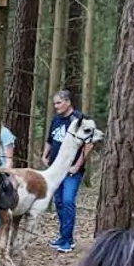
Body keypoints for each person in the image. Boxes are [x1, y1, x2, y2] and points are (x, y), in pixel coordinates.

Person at [42, 89, 92, 253]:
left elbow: (88, 144)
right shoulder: (56, 119)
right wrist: (45, 155)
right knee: (59, 202)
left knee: (68, 200)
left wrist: (77, 165)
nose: (56, 106)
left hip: (72, 170)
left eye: (59, 103)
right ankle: (63, 236)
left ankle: (68, 240)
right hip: (56, 169)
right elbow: (50, 139)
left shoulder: (79, 119)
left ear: (68, 102)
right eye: (55, 103)